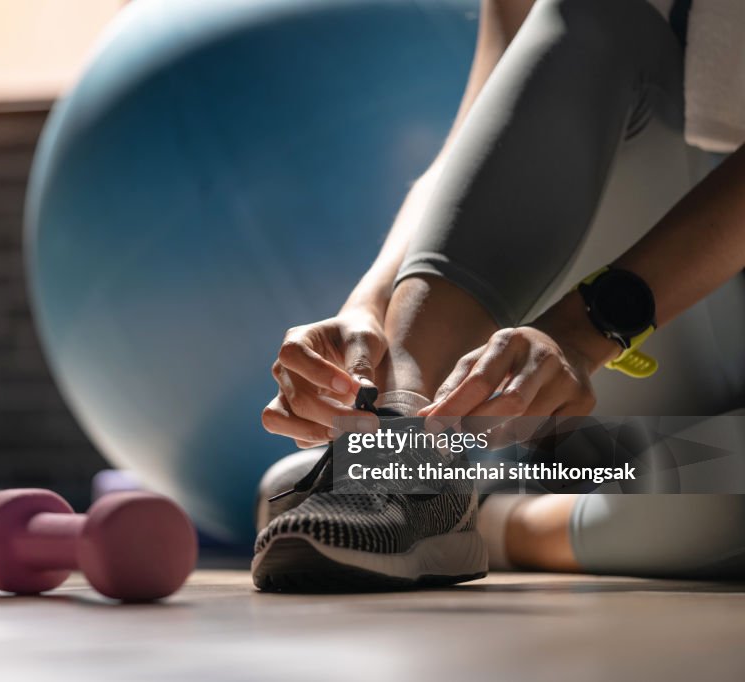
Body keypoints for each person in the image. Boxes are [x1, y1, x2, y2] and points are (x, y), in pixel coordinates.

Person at [254, 0, 745, 590]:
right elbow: (480, 145)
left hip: (677, 374)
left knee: (715, 491)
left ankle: (482, 512)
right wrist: (370, 303)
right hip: (598, 395)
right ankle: (404, 456)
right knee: (600, 13)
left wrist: (583, 333)